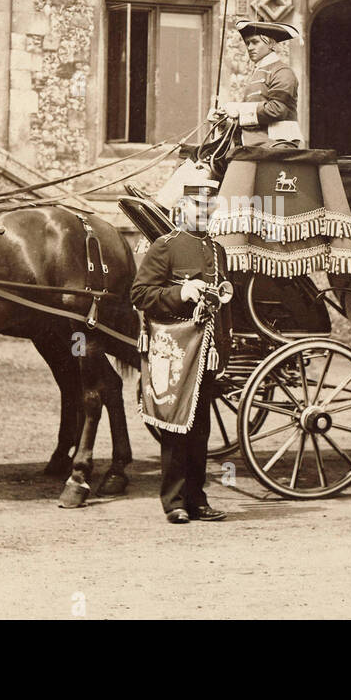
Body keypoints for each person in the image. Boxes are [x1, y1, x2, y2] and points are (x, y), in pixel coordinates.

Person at [131, 179, 232, 523]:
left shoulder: (217, 251)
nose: (204, 214)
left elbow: (222, 308)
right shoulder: (165, 246)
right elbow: (141, 295)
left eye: (210, 207)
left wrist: (221, 349)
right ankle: (174, 502)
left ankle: (197, 499)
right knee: (175, 428)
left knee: (200, 428)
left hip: (205, 352)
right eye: (197, 207)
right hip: (172, 350)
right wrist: (181, 293)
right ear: (182, 208)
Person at [210, 19, 303, 148]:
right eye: (248, 43)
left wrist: (237, 109)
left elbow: (277, 109)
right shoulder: (256, 74)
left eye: (255, 42)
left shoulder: (282, 71)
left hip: (277, 144)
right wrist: (223, 120)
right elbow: (248, 121)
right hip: (253, 143)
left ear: (270, 43)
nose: (249, 48)